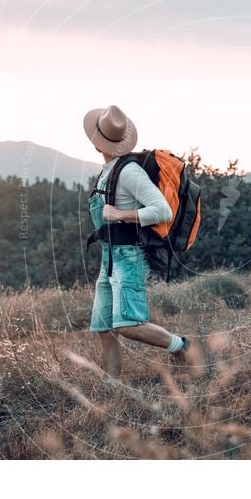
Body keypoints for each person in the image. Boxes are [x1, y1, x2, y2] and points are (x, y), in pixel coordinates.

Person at [83, 104, 189, 379]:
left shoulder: (129, 173)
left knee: (128, 324)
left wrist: (120, 213)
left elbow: (162, 210)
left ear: (97, 143)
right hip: (109, 258)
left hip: (128, 258)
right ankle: (112, 390)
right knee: (104, 329)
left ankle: (182, 346)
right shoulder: (108, 170)